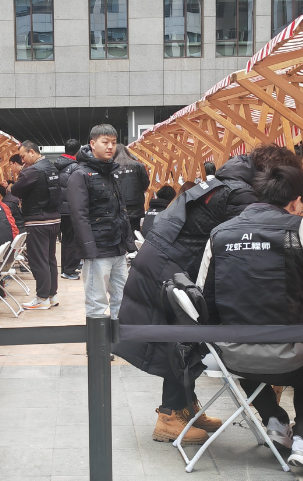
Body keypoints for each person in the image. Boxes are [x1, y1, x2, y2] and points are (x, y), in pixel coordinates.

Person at [117, 146, 290, 445]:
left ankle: (186, 409)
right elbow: (248, 239)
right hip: (171, 268)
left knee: (182, 339)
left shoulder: (227, 183)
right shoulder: (241, 194)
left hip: (165, 264)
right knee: (181, 341)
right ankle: (170, 417)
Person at [204, 164, 303, 470]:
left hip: (230, 354)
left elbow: (204, 296)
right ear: (296, 201)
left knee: (247, 361)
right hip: (289, 355)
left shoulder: (220, 233)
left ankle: (274, 420)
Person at [67, 125, 132, 318]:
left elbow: (121, 209)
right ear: (93, 144)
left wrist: (127, 242)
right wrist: (89, 250)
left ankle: (119, 337)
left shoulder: (111, 171)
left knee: (123, 300)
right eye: (105, 142)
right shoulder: (80, 174)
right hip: (98, 250)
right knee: (97, 303)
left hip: (118, 248)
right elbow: (79, 216)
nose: (110, 146)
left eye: (114, 142)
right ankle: (98, 339)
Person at [11, 140, 62, 310]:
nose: (22, 160)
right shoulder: (51, 167)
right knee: (50, 259)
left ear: (32, 152)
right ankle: (52, 295)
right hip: (54, 219)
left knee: (38, 260)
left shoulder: (32, 171)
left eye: (23, 156)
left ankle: (42, 298)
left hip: (37, 220)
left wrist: (20, 174)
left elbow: (15, 190)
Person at [55, 138, 81, 280]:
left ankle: (65, 269)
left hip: (59, 209)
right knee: (74, 240)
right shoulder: (76, 167)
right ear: (78, 151)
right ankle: (69, 270)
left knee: (65, 239)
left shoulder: (56, 165)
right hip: (72, 209)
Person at [113, 142, 151, 232]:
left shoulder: (111, 167)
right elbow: (145, 183)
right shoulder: (138, 166)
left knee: (119, 233)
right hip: (136, 205)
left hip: (117, 206)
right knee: (134, 232)